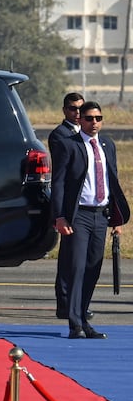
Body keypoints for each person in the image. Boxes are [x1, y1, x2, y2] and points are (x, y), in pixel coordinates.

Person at [50, 101, 129, 339]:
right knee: (77, 268)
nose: (94, 122)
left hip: (101, 215)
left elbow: (112, 181)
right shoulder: (69, 145)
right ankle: (75, 323)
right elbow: (59, 183)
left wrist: (117, 218)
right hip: (79, 216)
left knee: (93, 268)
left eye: (98, 118)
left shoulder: (107, 145)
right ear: (80, 120)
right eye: (89, 118)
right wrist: (60, 217)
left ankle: (83, 318)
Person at [48, 92, 88, 320]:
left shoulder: (84, 134)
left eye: (81, 109)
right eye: (73, 109)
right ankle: (64, 302)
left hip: (86, 203)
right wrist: (59, 212)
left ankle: (74, 304)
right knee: (68, 257)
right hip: (70, 204)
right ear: (64, 110)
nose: (77, 113)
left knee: (78, 258)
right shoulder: (60, 135)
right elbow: (61, 177)